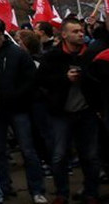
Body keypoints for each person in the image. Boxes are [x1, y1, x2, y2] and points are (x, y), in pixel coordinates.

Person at [0, 16, 47, 203]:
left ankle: (37, 190)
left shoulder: (17, 53)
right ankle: (2, 188)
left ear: (0, 31)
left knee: (28, 151)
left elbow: (31, 79)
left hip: (18, 110)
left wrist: (16, 96)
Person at [37, 17, 101, 204]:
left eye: (81, 31)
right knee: (59, 156)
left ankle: (91, 193)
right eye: (75, 31)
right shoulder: (53, 56)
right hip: (61, 114)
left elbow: (99, 82)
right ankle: (62, 193)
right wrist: (64, 78)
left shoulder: (90, 55)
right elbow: (40, 81)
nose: (80, 34)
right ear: (64, 34)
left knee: (90, 155)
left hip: (87, 113)